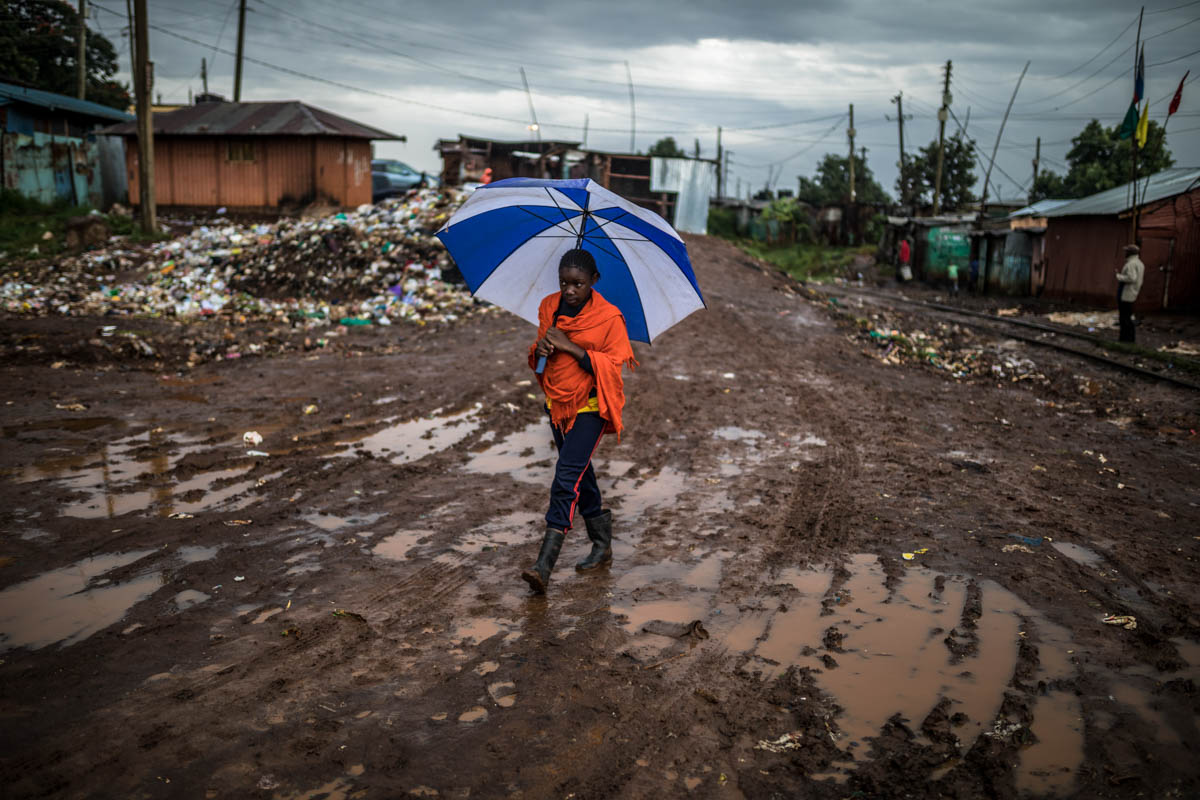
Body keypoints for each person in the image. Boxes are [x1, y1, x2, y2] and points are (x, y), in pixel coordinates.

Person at [522, 249, 636, 594]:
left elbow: (612, 368)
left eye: (579, 284)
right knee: (581, 473)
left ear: (594, 282)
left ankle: (544, 566)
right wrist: (540, 348)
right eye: (565, 282)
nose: (570, 290)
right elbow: (542, 354)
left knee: (566, 475)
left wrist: (572, 348)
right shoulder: (549, 307)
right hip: (558, 404)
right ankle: (602, 545)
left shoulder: (610, 318)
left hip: (591, 406)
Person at [1116, 243, 1144, 343]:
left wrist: (1119, 276)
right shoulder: (1139, 263)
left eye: (1126, 251)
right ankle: (1129, 339)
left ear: (1130, 253)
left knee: (1124, 317)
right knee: (1127, 316)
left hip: (1126, 293)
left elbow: (1132, 278)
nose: (1125, 253)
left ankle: (1125, 339)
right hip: (1132, 293)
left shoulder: (1131, 263)